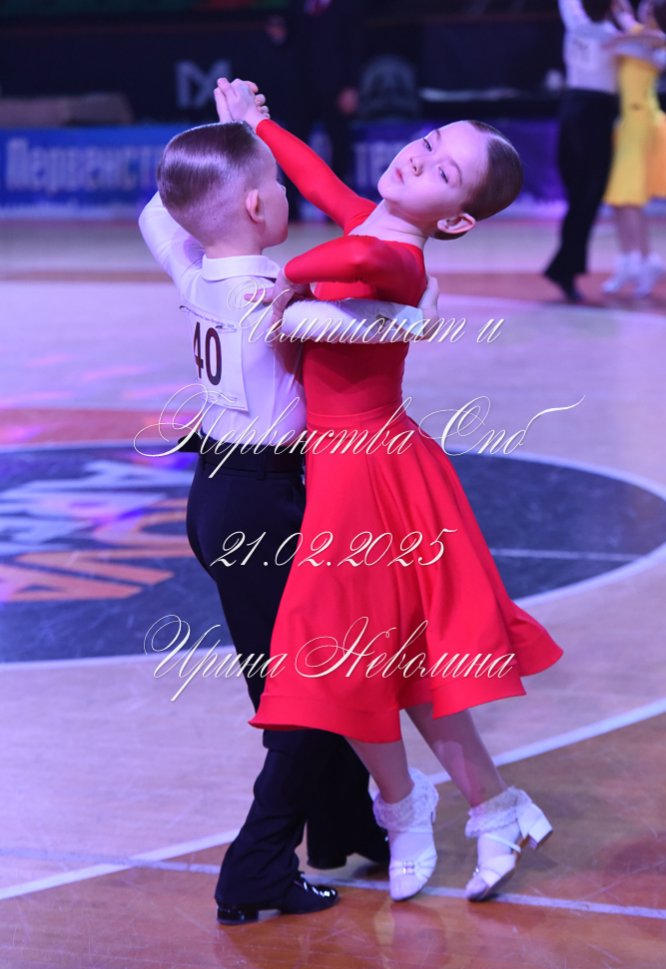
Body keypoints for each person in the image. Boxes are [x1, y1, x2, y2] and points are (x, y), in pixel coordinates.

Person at [216, 77, 564, 905]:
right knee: (374, 656)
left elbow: (364, 260)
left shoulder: (400, 257)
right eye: (429, 142)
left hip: (376, 473)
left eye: (444, 171)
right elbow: (318, 181)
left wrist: (292, 276)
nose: (419, 157)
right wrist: (261, 125)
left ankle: (424, 809)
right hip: (348, 471)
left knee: (360, 652)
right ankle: (466, 807)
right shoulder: (368, 221)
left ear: (458, 221)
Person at [138, 112, 431, 924]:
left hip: (217, 495)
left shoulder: (195, 268)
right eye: (274, 181)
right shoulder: (271, 291)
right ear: (259, 207)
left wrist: (218, 143)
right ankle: (255, 866)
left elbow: (157, 212)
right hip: (264, 505)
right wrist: (423, 306)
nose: (283, 191)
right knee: (310, 688)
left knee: (298, 673)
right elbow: (378, 318)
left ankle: (341, 828)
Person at [544, 0, 629, 303]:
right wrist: (625, 17)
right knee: (587, 197)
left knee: (580, 198)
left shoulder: (576, 24)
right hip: (593, 117)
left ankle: (564, 268)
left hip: (571, 112)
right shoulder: (613, 36)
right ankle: (564, 269)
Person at [601, 0, 666, 297]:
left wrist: (623, 37)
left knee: (629, 198)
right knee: (619, 199)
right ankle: (631, 260)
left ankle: (645, 260)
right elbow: (624, 21)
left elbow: (650, 42)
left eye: (651, 9)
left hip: (642, 123)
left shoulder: (656, 44)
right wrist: (622, 19)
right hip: (628, 123)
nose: (644, 10)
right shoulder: (639, 35)